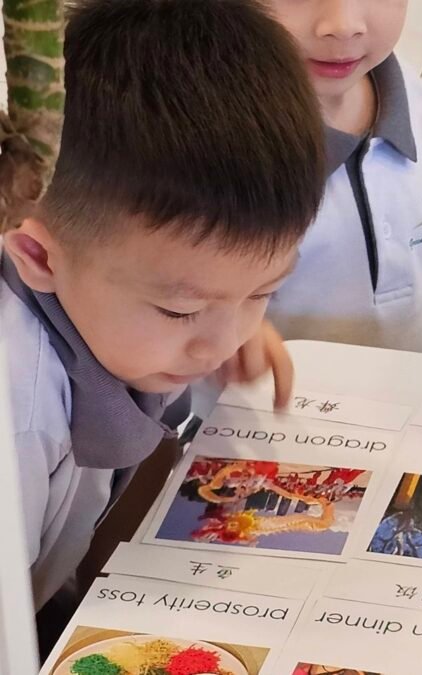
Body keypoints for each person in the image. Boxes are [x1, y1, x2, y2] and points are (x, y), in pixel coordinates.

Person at [0, 0, 324, 610]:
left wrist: (215, 309)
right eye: (180, 311)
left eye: (263, 292)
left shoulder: (123, 295)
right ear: (37, 256)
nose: (222, 344)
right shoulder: (14, 424)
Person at [264, 0, 422, 359]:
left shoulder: (412, 98)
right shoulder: (201, 151)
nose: (343, 25)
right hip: (276, 394)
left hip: (416, 387)